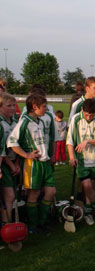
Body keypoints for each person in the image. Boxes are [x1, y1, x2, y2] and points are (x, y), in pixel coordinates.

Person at [8, 94, 56, 234]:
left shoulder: (40, 121)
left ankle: (42, 221)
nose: (46, 109)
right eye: (44, 107)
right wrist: (27, 154)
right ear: (34, 107)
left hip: (45, 162)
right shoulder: (24, 122)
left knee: (50, 191)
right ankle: (34, 225)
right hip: (33, 164)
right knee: (33, 194)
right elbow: (12, 142)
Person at [66, 98, 95, 225]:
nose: (89, 117)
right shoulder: (76, 119)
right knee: (87, 185)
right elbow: (70, 140)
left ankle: (88, 213)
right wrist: (72, 157)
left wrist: (88, 141)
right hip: (82, 159)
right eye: (87, 114)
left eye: (92, 115)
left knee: (94, 186)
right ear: (82, 110)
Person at [0, 93, 17, 225]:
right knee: (9, 196)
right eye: (9, 105)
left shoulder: (15, 122)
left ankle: (7, 224)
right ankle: (6, 223)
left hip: (13, 163)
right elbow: (2, 150)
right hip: (4, 165)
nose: (12, 108)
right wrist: (11, 165)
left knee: (11, 196)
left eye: (13, 105)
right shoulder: (1, 123)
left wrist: (16, 163)